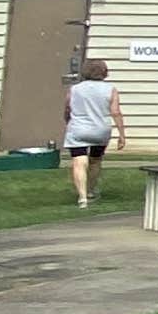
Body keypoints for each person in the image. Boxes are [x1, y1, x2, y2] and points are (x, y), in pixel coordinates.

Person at [62, 59, 129, 207]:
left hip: (78, 128)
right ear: (104, 72)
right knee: (95, 160)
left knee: (79, 162)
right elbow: (116, 112)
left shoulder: (75, 89)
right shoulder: (111, 89)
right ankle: (91, 190)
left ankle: (82, 198)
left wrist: (68, 122)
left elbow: (67, 109)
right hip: (101, 129)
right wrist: (122, 134)